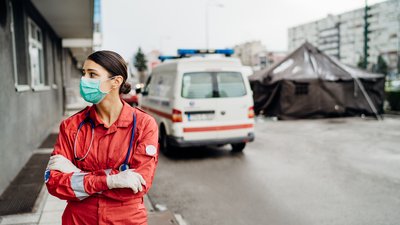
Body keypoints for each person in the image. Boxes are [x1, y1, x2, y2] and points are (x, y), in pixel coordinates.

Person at [45, 50, 159, 224]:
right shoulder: (71, 126)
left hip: (126, 220)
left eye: (92, 74)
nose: (84, 80)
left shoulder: (144, 125)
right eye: (84, 73)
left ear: (116, 82)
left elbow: (137, 187)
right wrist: (112, 180)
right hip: (79, 219)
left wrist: (77, 175)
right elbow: (54, 184)